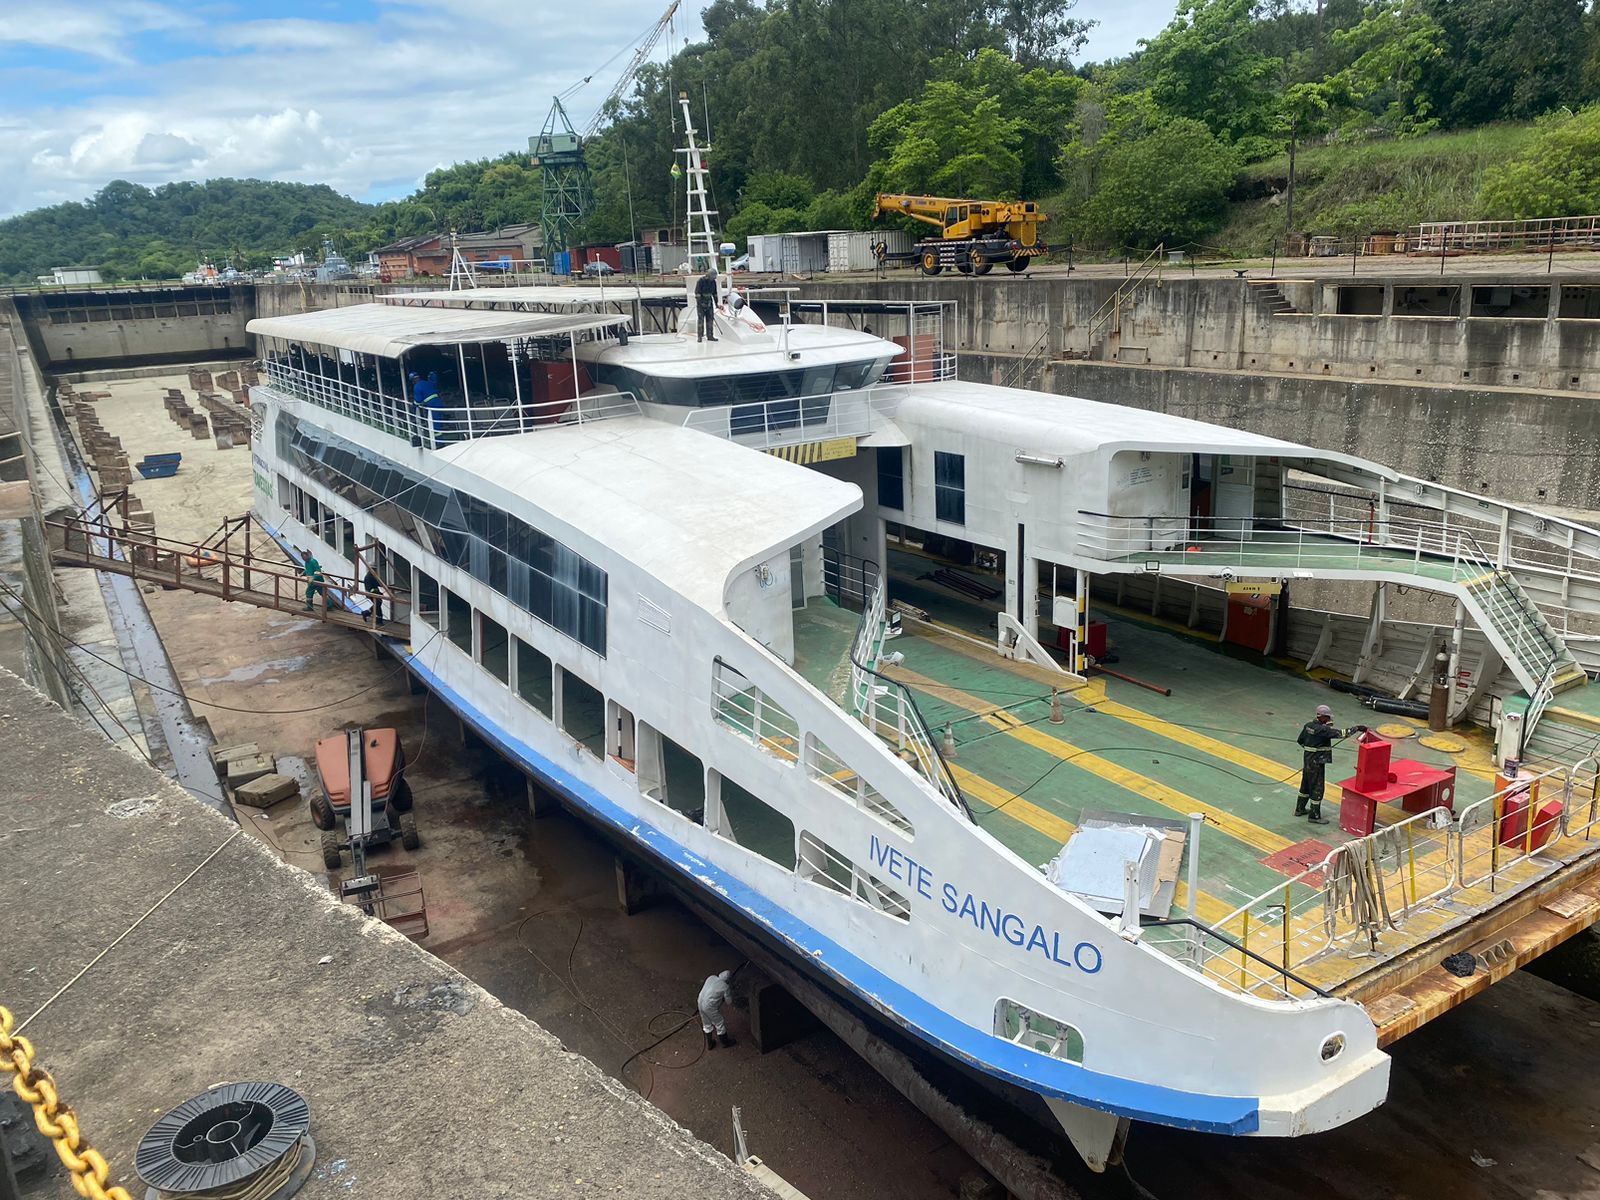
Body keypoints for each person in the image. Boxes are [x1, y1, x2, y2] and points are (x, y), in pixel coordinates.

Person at [1295, 704, 1365, 824]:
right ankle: (1314, 816)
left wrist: (1311, 749)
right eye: (1327, 718)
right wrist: (1357, 728)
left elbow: (1300, 741)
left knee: (1305, 785)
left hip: (1307, 760)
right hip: (1317, 763)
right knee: (1317, 787)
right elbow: (1342, 733)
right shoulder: (1323, 730)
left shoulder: (1308, 726)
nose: (1329, 720)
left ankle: (1299, 809)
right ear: (1322, 717)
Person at [697, 969, 734, 1049]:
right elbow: (729, 1002)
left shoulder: (711, 977)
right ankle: (725, 1042)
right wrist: (728, 995)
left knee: (706, 1023)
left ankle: (710, 1044)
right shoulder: (725, 986)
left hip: (700, 1001)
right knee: (719, 1022)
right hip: (709, 1006)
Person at [410, 370, 442, 442]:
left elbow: (418, 400)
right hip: (438, 403)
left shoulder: (417, 386)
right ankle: (439, 440)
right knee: (438, 422)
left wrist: (414, 406)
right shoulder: (426, 383)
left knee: (435, 424)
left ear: (413, 380)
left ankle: (439, 442)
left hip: (432, 406)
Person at [694, 266, 719, 343]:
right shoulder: (701, 281)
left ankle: (710, 336)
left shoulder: (713, 282)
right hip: (701, 303)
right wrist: (700, 302)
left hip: (709, 303)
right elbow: (697, 293)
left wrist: (716, 303)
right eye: (712, 277)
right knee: (701, 320)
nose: (713, 279)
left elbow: (715, 293)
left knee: (710, 320)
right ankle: (700, 336)